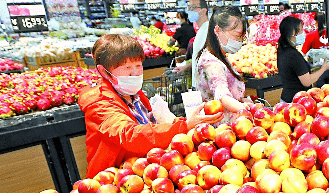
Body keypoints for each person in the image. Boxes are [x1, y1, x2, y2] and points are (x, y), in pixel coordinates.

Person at [79, 34, 222, 178]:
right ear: (104, 71)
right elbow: (130, 135)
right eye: (127, 67)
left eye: (138, 65)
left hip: (142, 172)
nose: (135, 73)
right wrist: (183, 126)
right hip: (111, 181)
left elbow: (150, 126)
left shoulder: (135, 94)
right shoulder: (99, 104)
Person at [195, 6, 250, 120]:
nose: (239, 41)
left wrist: (243, 101)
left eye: (241, 37)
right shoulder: (210, 62)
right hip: (221, 129)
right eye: (236, 36)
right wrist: (244, 109)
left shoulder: (221, 57)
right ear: (218, 30)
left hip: (234, 125)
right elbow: (222, 95)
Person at [277, 15, 329, 103]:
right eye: (300, 31)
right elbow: (307, 81)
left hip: (286, 98)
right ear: (291, 33)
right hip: (295, 103)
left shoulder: (282, 50)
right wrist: (324, 67)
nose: (303, 33)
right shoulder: (293, 55)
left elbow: (295, 71)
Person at [302, 13, 329, 87]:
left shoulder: (310, 36)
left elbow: (303, 53)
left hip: (317, 71)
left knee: (318, 94)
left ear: (316, 22)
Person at [188, 0, 211, 87]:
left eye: (194, 7)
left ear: (204, 11)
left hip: (205, 84)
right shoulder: (201, 30)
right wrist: (186, 66)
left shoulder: (208, 29)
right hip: (199, 82)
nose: (190, 10)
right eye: (189, 7)